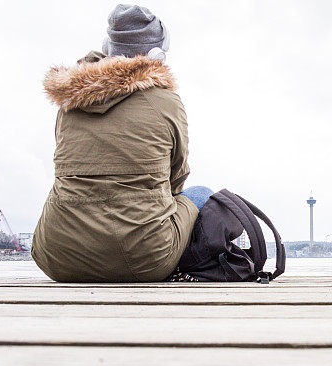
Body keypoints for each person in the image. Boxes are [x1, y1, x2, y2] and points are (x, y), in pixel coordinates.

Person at [32, 4, 214, 282]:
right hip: (145, 261)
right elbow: (176, 178)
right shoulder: (166, 103)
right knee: (201, 193)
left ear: (107, 47)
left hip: (58, 259)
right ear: (157, 54)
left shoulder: (68, 102)